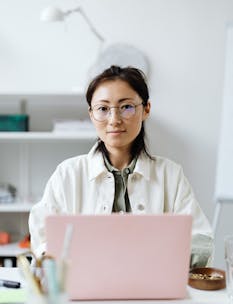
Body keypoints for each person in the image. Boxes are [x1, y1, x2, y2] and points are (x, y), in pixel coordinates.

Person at [29, 65, 213, 266]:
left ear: (146, 110)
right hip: (85, 288)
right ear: (91, 114)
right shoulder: (68, 174)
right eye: (103, 109)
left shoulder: (170, 175)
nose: (114, 120)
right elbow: (43, 237)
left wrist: (154, 257)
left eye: (126, 107)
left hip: (152, 289)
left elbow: (201, 241)